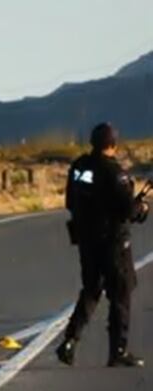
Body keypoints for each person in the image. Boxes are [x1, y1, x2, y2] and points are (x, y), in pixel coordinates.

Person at [56, 122, 149, 368]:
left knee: (91, 290)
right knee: (121, 292)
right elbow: (129, 210)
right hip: (113, 244)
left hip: (87, 241)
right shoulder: (115, 172)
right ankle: (118, 350)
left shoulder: (78, 168)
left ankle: (69, 341)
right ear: (113, 145)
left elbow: (69, 201)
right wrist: (142, 207)